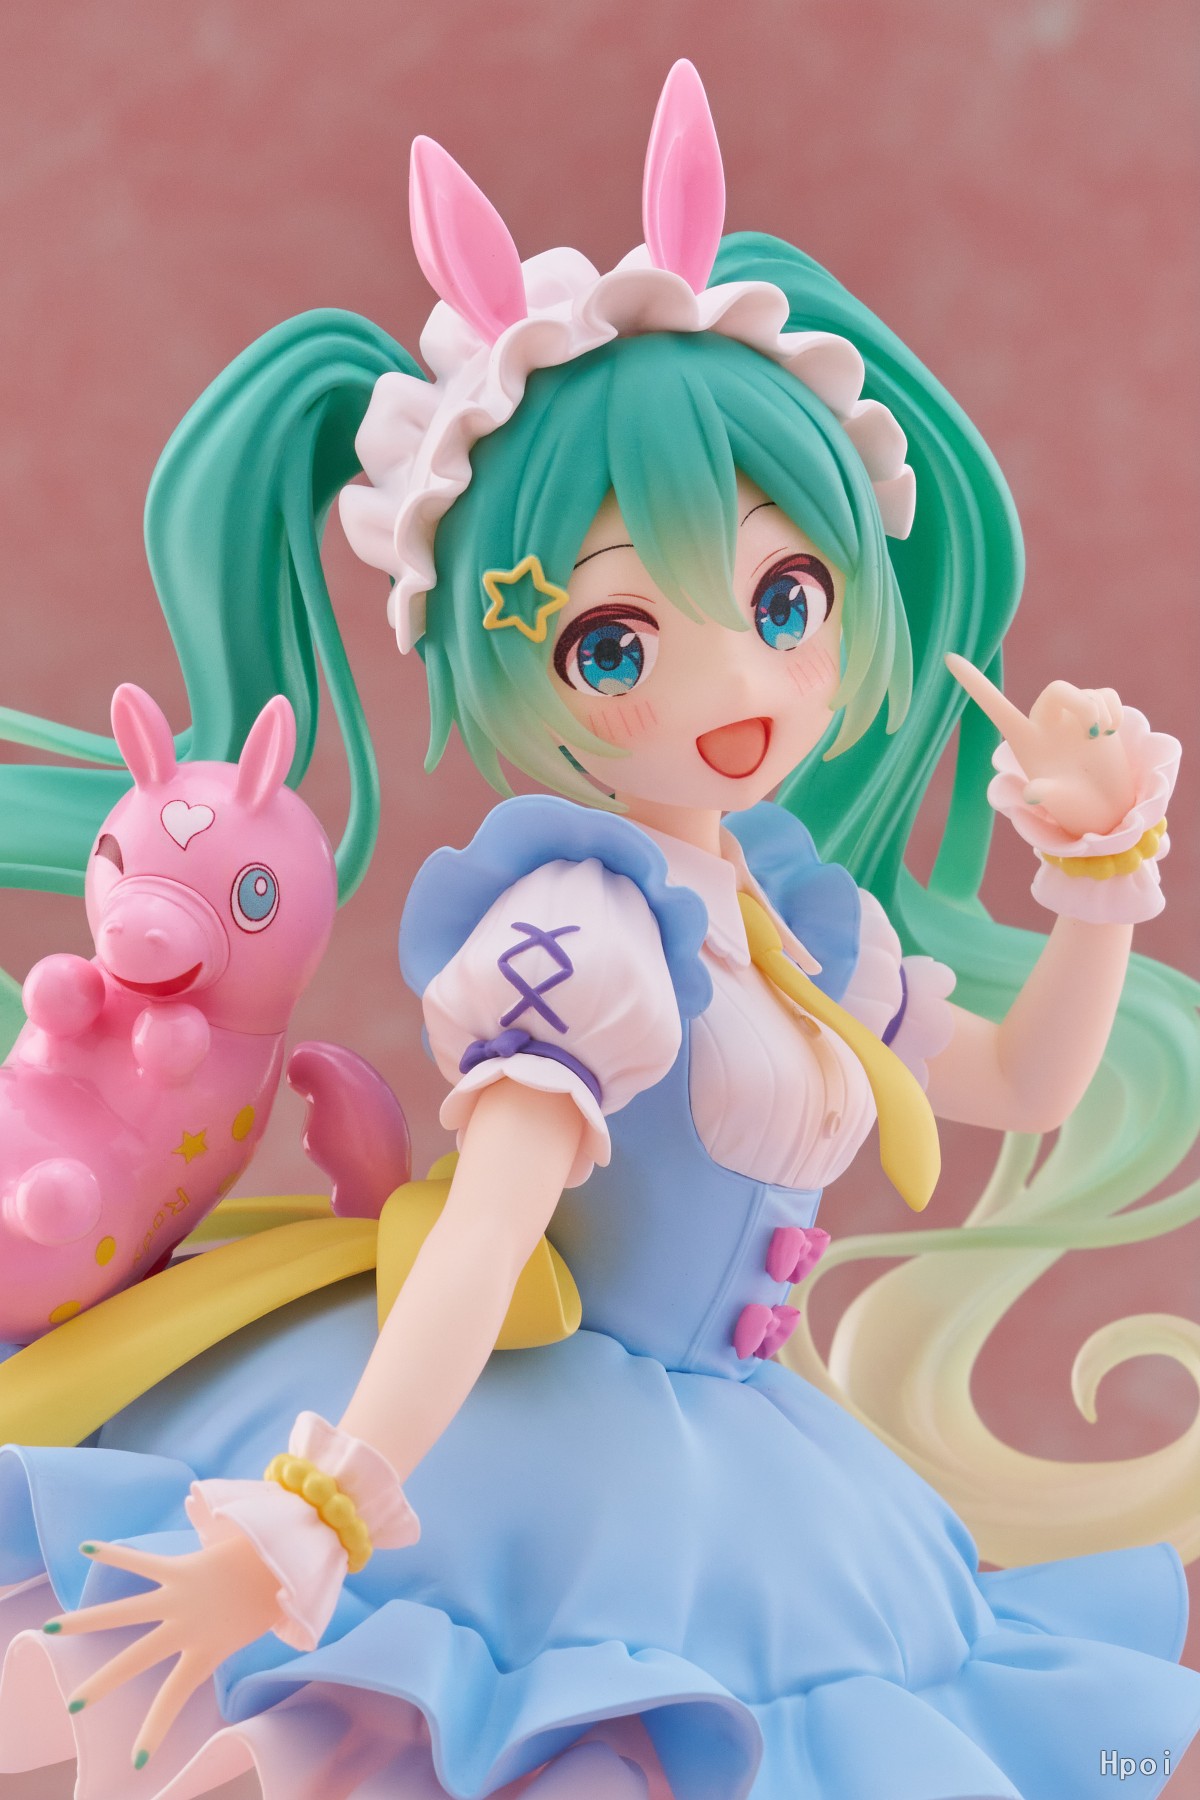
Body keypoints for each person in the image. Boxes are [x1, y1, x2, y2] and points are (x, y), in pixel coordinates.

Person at [0, 59, 1196, 1800]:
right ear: (503, 661)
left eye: (784, 598)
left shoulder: (795, 920)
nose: (733, 685)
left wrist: (1098, 875)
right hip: (534, 1456)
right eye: (617, 642)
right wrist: (316, 1513)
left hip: (749, 1468)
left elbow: (1025, 1083)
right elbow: (484, 1244)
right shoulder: (581, 940)